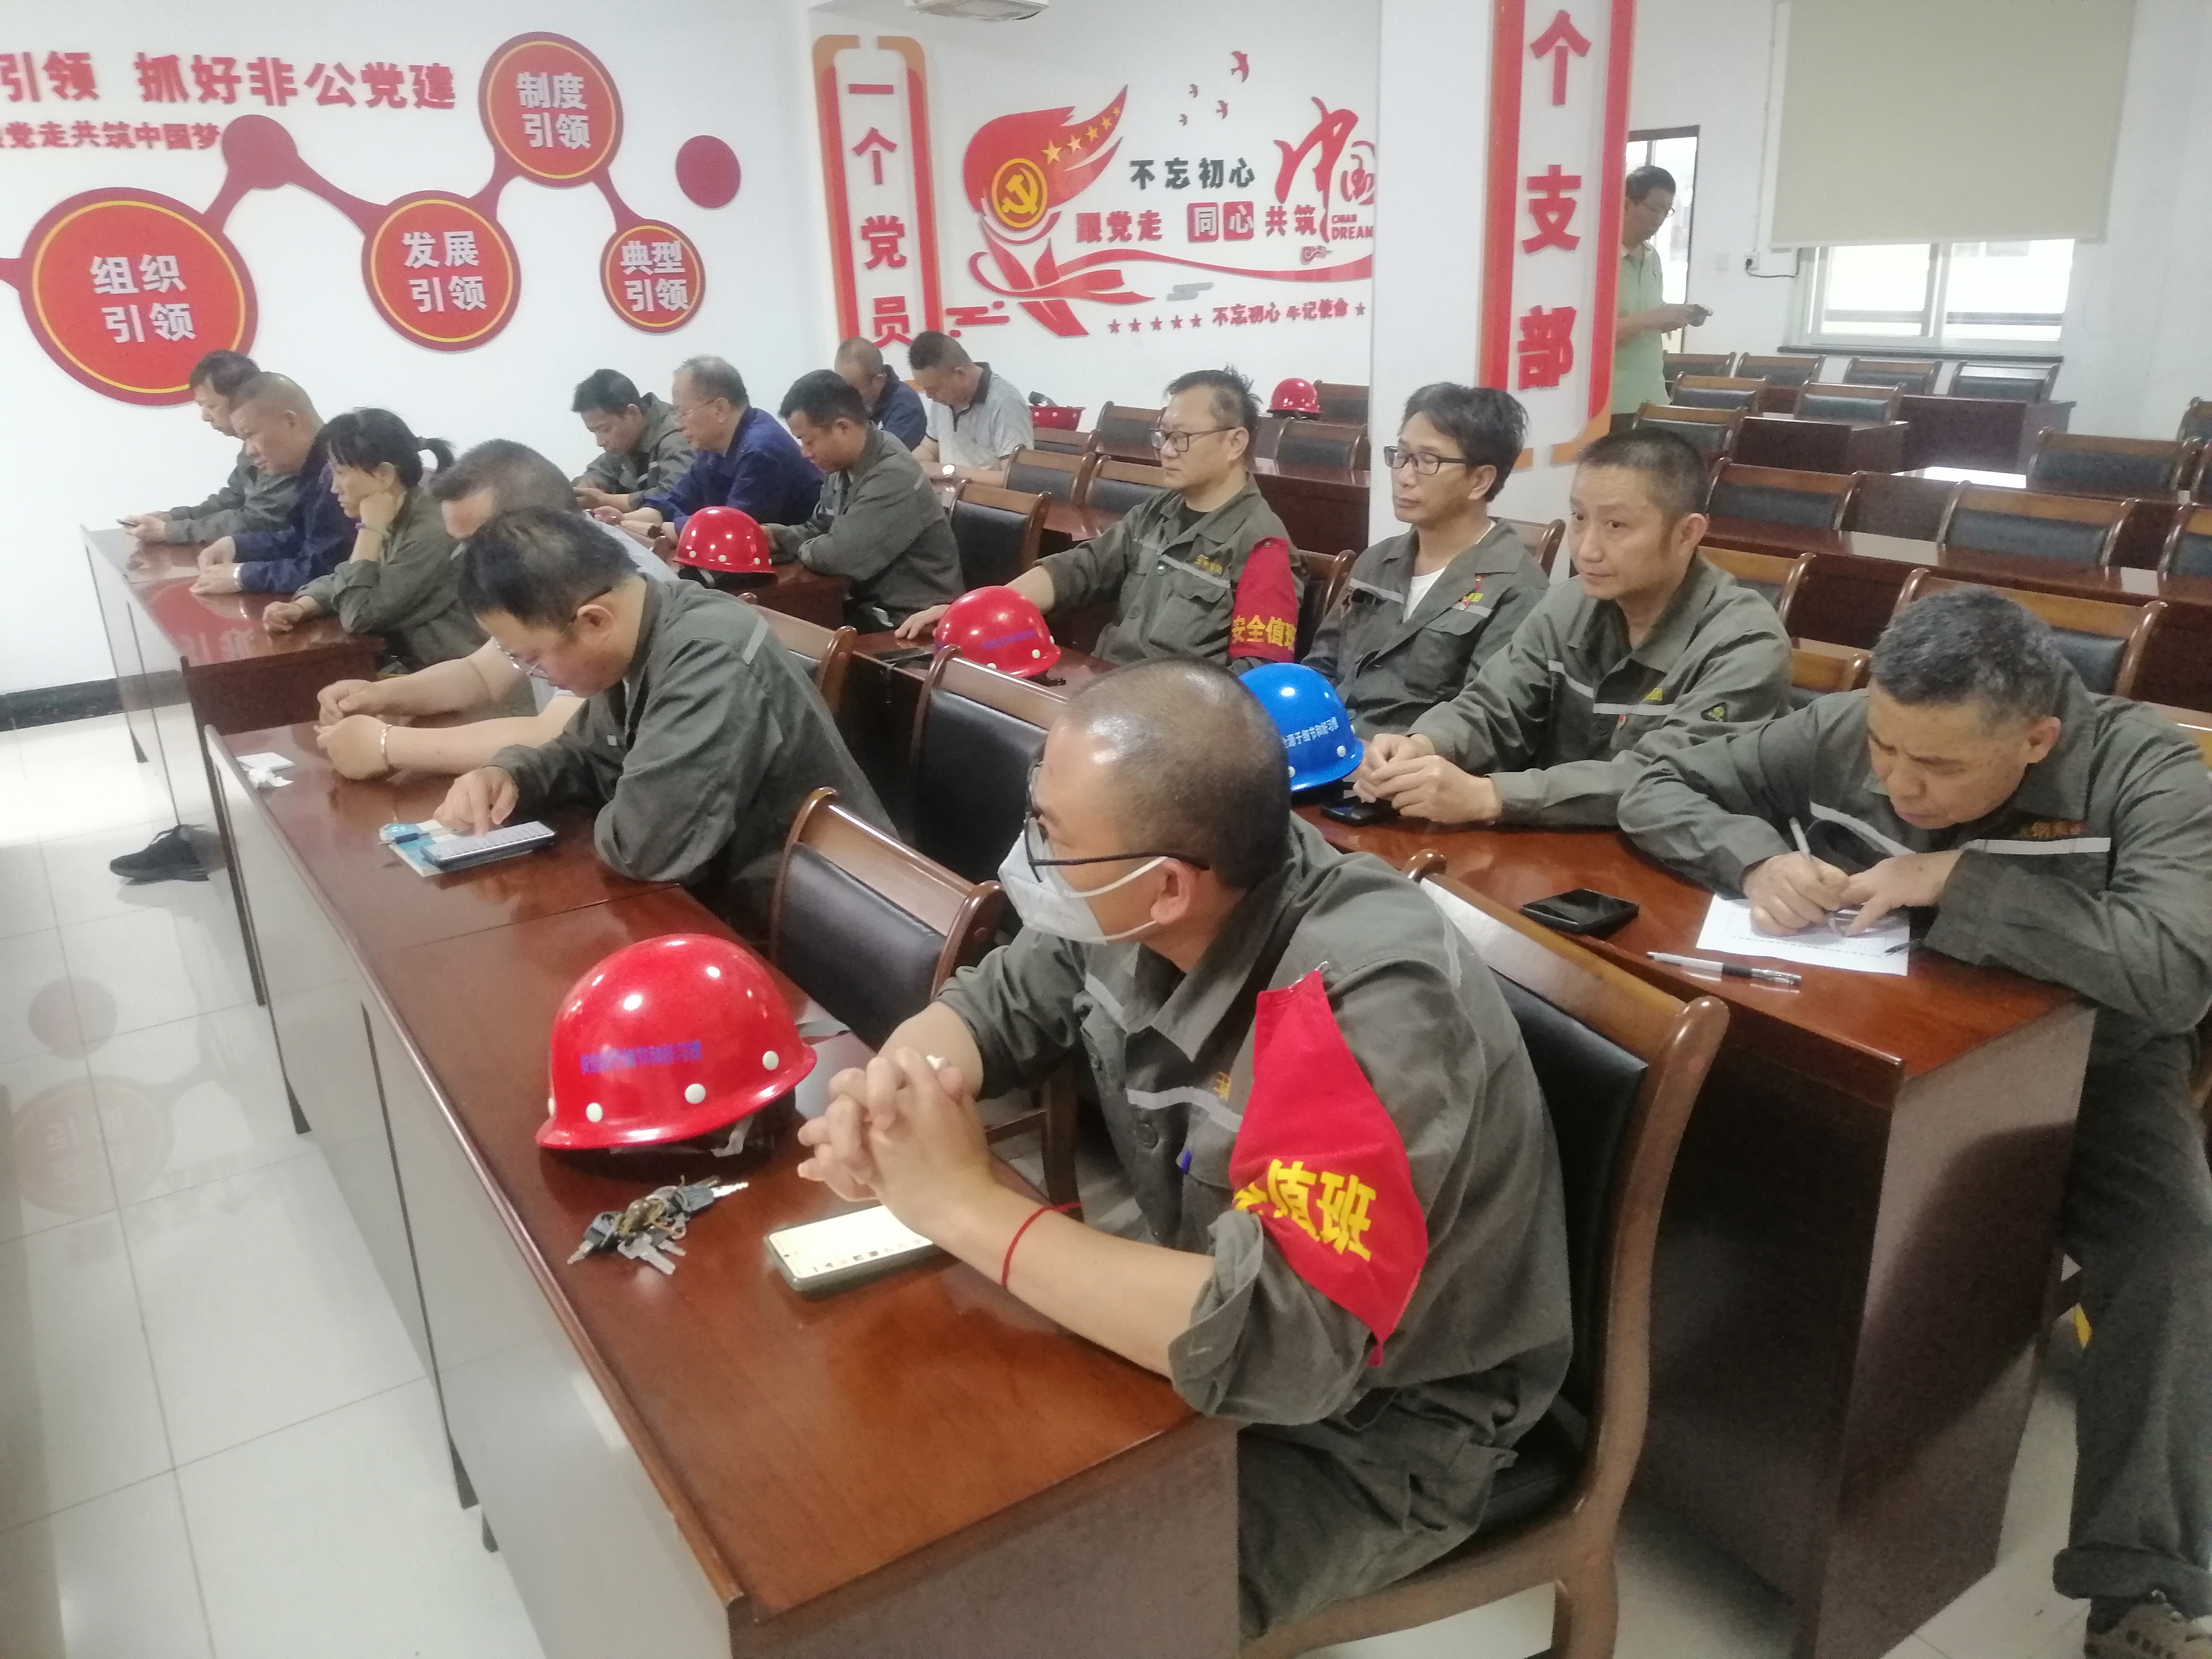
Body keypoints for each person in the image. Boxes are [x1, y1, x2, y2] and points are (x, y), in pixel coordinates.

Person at [793, 659, 1571, 1639]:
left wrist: (962, 1204)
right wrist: (894, 1097)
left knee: (1022, 1613)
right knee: (899, 1482)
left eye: (1051, 835)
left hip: (1376, 1431)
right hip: (1204, 1329)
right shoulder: (1157, 887)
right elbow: (998, 1003)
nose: (1030, 856)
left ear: (1165, 885)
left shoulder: (1365, 1007)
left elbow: (1287, 1343)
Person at [1616, 586, 2212, 1659]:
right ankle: (1707, 1451)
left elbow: (2173, 973)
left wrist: (1956, 880)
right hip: (1882, 1026)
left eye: (1935, 766)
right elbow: (1657, 781)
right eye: (1885, 750)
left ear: (2038, 739)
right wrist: (1751, 857)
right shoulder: (1860, 721)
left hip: (2095, 1062)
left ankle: (2141, 1583)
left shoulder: (2146, 768)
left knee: (2175, 1251)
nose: (1896, 780)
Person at [432, 507, 885, 932]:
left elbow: (645, 847)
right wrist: (510, 774)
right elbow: (584, 754)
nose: (535, 674)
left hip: (815, 930)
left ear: (593, 622)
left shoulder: (707, 658)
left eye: (531, 658)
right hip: (726, 899)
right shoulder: (640, 628)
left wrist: (620, 801)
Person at [1350, 429, 1790, 827]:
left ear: (1686, 534)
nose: (1587, 549)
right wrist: (1424, 744)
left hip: (1679, 859)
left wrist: (1492, 796)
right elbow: (1494, 707)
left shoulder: (1746, 643)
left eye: (1616, 525)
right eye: (1579, 518)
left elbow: (1663, 778)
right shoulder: (1568, 603)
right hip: (1553, 847)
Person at [895, 368, 1302, 673]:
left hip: (1173, 723)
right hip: (1108, 692)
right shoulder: (1157, 513)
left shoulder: (1262, 546)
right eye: (1163, 436)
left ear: (1235, 442)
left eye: (1182, 438)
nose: (1167, 450)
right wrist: (976, 614)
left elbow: (1257, 678)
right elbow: (1080, 568)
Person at [313, 439, 675, 781]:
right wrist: (378, 696)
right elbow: (483, 674)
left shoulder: (609, 582)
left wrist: (385, 745)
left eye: (478, 544)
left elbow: (558, 734)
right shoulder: (545, 573)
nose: (468, 563)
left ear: (536, 528)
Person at [1303, 383, 1549, 736]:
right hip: (1333, 746)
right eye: (1401, 455)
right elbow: (1321, 666)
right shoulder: (1377, 560)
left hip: (1412, 762)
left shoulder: (1517, 590)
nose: (1404, 477)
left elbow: (1482, 723)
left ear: (1480, 481)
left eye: (1427, 462)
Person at [261, 409, 476, 671]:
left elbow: (359, 616)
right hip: (416, 667)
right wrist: (303, 607)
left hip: (458, 681)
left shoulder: (431, 531)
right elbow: (348, 576)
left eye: (341, 473)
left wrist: (370, 530)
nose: (334, 488)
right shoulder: (399, 509)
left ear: (385, 474)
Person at [764, 370, 963, 630]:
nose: (805, 453)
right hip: (866, 610)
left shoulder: (893, 473)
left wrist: (804, 548)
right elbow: (819, 528)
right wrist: (775, 538)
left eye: (809, 441)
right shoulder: (841, 467)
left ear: (843, 427)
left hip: (913, 622)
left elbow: (840, 557)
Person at [617, 357, 820, 551]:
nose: (678, 425)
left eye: (682, 413)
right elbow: (677, 500)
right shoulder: (713, 447)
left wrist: (664, 529)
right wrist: (621, 520)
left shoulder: (761, 451)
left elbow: (730, 532)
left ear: (720, 409)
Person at [189, 373, 351, 596]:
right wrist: (237, 545)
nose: (250, 451)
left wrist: (242, 576)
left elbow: (324, 569)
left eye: (251, 435)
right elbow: (303, 539)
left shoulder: (342, 473)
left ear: (291, 421)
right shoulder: (313, 467)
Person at [119, 350, 297, 544]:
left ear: (241, 399)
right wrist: (171, 519)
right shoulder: (251, 446)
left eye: (211, 406)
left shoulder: (280, 448)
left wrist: (169, 532)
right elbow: (231, 500)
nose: (205, 417)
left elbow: (255, 521)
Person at [1611, 165, 1710, 421]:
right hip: (1613, 401)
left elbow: (1648, 309)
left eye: (1667, 212)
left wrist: (1679, 314)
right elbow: (1591, 336)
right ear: (1626, 204)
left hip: (1653, 395)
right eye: (1654, 209)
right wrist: (1653, 319)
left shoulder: (1652, 256)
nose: (1660, 219)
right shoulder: (1599, 257)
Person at [908, 330, 1034, 487]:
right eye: (926, 389)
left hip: (985, 500)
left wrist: (949, 471)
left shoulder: (1006, 403)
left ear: (960, 374)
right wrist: (906, 467)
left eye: (934, 389)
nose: (929, 396)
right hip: (947, 496)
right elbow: (929, 449)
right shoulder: (942, 399)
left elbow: (1015, 479)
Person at [570, 369, 694, 513]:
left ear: (633, 413)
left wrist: (604, 500)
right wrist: (587, 484)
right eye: (594, 432)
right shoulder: (625, 443)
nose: (600, 442)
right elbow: (599, 471)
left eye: (605, 430)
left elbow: (676, 497)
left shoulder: (678, 435)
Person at [833, 336, 927, 451]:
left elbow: (888, 455)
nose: (848, 399)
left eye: (855, 392)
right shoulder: (842, 402)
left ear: (878, 381)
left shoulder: (906, 406)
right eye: (844, 390)